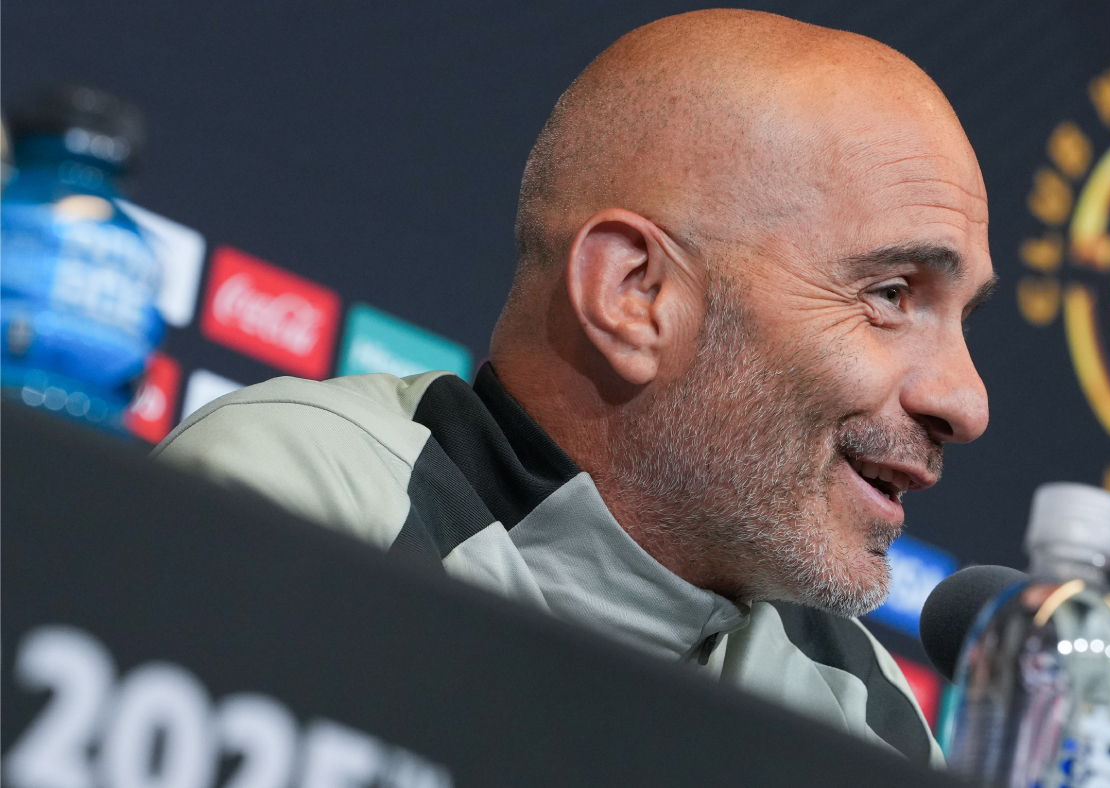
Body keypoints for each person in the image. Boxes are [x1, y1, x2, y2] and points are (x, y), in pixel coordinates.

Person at [155, 8, 993, 767]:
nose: (966, 402)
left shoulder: (859, 705)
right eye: (892, 295)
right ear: (635, 296)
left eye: (964, 319)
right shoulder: (313, 505)